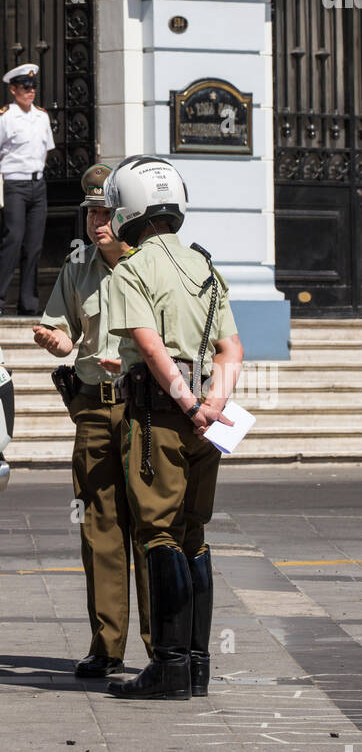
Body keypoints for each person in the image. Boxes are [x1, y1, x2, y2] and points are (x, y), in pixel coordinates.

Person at [103, 156, 244, 701]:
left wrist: (187, 405)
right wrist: (212, 403)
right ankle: (198, 667)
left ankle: (168, 666)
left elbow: (150, 346)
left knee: (158, 532)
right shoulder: (205, 267)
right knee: (194, 535)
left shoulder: (133, 269)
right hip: (207, 421)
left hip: (160, 417)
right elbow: (230, 348)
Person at [33, 164, 150, 679]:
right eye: (90, 213)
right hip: (94, 412)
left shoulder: (151, 265)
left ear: (124, 215)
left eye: (105, 212)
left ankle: (164, 645)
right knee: (100, 528)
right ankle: (107, 647)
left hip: (146, 408)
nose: (96, 222)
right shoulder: (78, 267)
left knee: (153, 527)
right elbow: (60, 327)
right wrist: (56, 340)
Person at [0, 63, 55, 316]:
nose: (31, 91)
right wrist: (0, 174)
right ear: (13, 90)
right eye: (26, 87)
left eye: (33, 86)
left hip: (37, 183)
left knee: (34, 246)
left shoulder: (42, 116)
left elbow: (45, 149)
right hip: (14, 183)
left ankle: (29, 303)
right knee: (11, 241)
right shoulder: (3, 117)